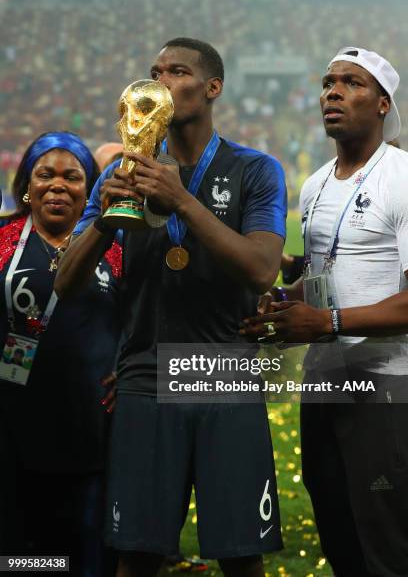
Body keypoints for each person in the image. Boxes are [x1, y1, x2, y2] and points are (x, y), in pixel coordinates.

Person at [55, 37, 287, 577]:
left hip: (224, 372)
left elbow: (260, 269)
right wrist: (105, 220)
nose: (160, 81)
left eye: (177, 71)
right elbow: (66, 285)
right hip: (145, 376)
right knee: (136, 554)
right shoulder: (125, 174)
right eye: (154, 72)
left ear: (212, 88)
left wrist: (183, 199)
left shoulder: (256, 170)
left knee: (240, 556)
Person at [242, 47, 408, 576]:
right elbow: (324, 282)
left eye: (351, 83)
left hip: (386, 386)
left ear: (383, 104)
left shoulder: (402, 177)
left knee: (386, 540)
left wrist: (329, 323)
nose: (332, 92)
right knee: (337, 533)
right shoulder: (313, 185)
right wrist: (284, 306)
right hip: (323, 381)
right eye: (328, 82)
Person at [0, 131, 122, 576]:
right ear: (26, 186)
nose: (57, 185)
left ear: (88, 188)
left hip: (91, 426)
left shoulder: (115, 246)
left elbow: (142, 321)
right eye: (44, 174)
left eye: (72, 177)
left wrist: (126, 369)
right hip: (12, 424)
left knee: (87, 545)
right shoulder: (3, 238)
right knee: (22, 549)